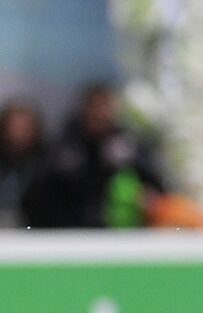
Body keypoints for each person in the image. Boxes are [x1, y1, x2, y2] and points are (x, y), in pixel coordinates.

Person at [22, 82, 165, 228]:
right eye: (94, 106)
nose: (99, 113)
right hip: (69, 231)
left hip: (121, 233)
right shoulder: (63, 148)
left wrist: (147, 195)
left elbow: (156, 187)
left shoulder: (127, 146)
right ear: (83, 109)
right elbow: (36, 195)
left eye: (105, 107)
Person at [0, 100, 46, 227]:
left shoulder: (48, 169)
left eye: (23, 129)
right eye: (12, 129)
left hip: (36, 236)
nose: (17, 135)